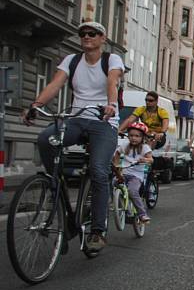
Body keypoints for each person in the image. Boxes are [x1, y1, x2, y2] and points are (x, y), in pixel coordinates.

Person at [22, 21, 125, 253]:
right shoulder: (72, 60)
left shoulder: (112, 60)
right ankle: (55, 182)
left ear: (102, 38)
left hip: (103, 121)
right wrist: (35, 105)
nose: (86, 36)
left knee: (99, 170)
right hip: (76, 118)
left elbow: (112, 81)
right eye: (83, 34)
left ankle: (97, 231)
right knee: (45, 138)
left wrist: (110, 104)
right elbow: (56, 83)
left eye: (92, 33)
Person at [113, 121, 154, 223]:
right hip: (124, 172)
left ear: (143, 138)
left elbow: (151, 160)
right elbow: (117, 153)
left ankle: (142, 214)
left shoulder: (145, 148)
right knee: (112, 182)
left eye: (137, 136)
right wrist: (116, 165)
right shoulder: (125, 145)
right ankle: (116, 203)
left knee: (132, 191)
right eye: (131, 135)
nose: (133, 138)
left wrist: (145, 160)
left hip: (136, 176)